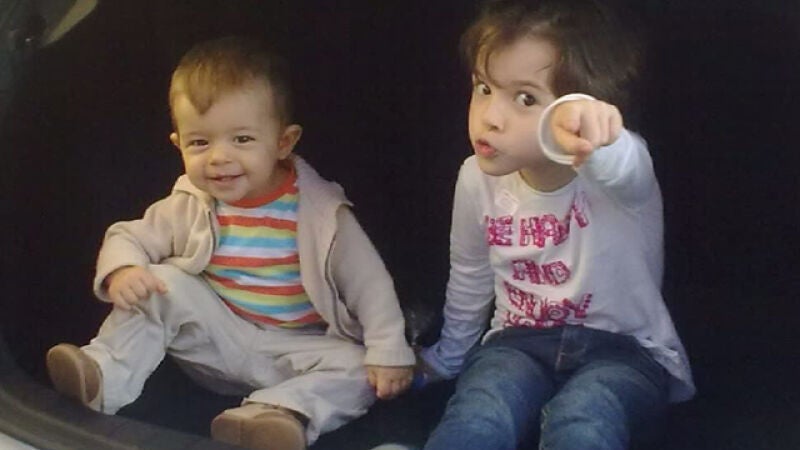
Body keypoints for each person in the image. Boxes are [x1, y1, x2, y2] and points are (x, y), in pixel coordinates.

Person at [45, 36, 415, 450]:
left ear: (283, 143)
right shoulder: (189, 202)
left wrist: (388, 351)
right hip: (213, 343)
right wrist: (124, 270)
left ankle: (273, 415)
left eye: (241, 140)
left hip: (295, 353)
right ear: (178, 144)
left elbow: (369, 284)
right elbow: (128, 236)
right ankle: (102, 375)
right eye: (200, 143)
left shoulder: (322, 213)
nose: (218, 157)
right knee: (161, 282)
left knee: (358, 367)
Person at [418, 1, 695, 449]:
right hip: (517, 344)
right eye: (484, 88)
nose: (489, 117)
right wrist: (447, 358)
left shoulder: (619, 172)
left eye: (525, 99)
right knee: (482, 407)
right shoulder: (475, 179)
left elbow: (623, 164)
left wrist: (594, 131)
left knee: (585, 414)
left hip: (623, 354)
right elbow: (471, 274)